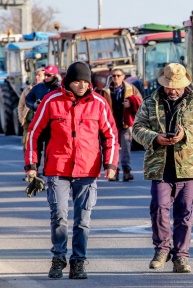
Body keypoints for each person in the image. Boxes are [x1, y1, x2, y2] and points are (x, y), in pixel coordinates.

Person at [24, 61, 119, 280]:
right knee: (59, 215)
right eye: (77, 81)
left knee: (83, 219)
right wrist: (31, 166)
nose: (81, 85)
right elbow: (34, 133)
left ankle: (78, 261)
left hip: (87, 171)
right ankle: (58, 258)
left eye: (85, 81)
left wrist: (111, 165)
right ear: (68, 81)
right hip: (57, 168)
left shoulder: (99, 103)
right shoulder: (51, 101)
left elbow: (111, 136)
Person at [132, 63, 193, 273]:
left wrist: (185, 133)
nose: (173, 90)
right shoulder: (151, 102)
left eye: (176, 86)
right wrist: (155, 138)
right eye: (169, 86)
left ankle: (181, 256)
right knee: (159, 208)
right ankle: (161, 250)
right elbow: (138, 128)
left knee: (185, 213)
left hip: (188, 166)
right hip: (159, 166)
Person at [102, 68, 143, 181]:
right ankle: (114, 171)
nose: (116, 78)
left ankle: (126, 171)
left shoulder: (131, 88)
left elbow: (140, 101)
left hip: (125, 123)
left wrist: (131, 103)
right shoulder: (106, 90)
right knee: (112, 148)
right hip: (111, 124)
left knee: (126, 148)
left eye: (118, 75)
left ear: (123, 76)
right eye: (114, 76)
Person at [17, 67, 44, 157]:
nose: (37, 77)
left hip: (43, 124)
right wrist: (22, 119)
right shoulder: (28, 90)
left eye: (39, 75)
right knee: (27, 147)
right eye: (36, 75)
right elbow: (21, 106)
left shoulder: (49, 90)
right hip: (29, 124)